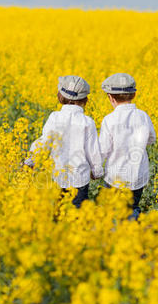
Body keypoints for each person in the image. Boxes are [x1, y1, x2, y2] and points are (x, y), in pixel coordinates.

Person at [25, 75, 103, 208]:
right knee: (77, 215)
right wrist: (97, 171)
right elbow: (93, 150)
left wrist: (31, 161)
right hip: (79, 180)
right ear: (85, 99)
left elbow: (44, 143)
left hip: (57, 177)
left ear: (60, 95)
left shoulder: (54, 118)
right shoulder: (87, 122)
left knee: (57, 213)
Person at [99, 73, 156, 220]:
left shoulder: (109, 120)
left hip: (115, 177)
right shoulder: (143, 116)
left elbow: (103, 150)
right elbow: (151, 138)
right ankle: (132, 234)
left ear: (111, 98)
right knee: (133, 207)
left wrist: (95, 169)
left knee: (111, 211)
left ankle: (115, 236)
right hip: (137, 176)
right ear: (134, 94)